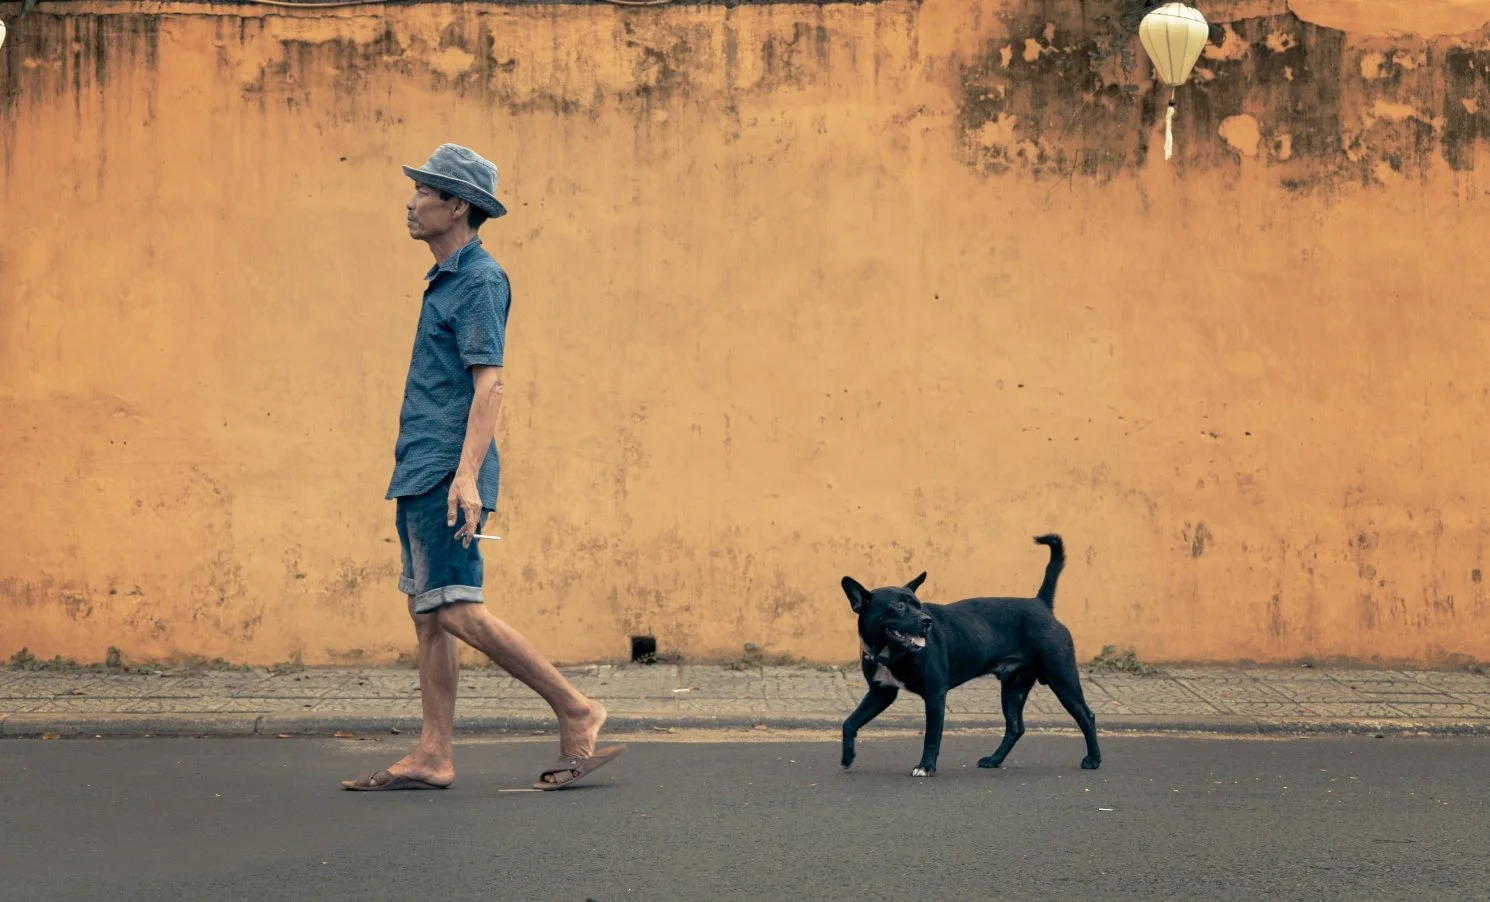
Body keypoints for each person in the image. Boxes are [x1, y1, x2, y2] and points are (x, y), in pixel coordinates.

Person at [342, 144, 623, 792]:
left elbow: (490, 384)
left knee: (460, 610)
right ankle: (434, 754)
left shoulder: (480, 279)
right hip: (419, 466)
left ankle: (577, 709)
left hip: (447, 467)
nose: (411, 202)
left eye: (424, 193)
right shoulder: (444, 279)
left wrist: (466, 476)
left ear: (457, 206)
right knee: (429, 613)